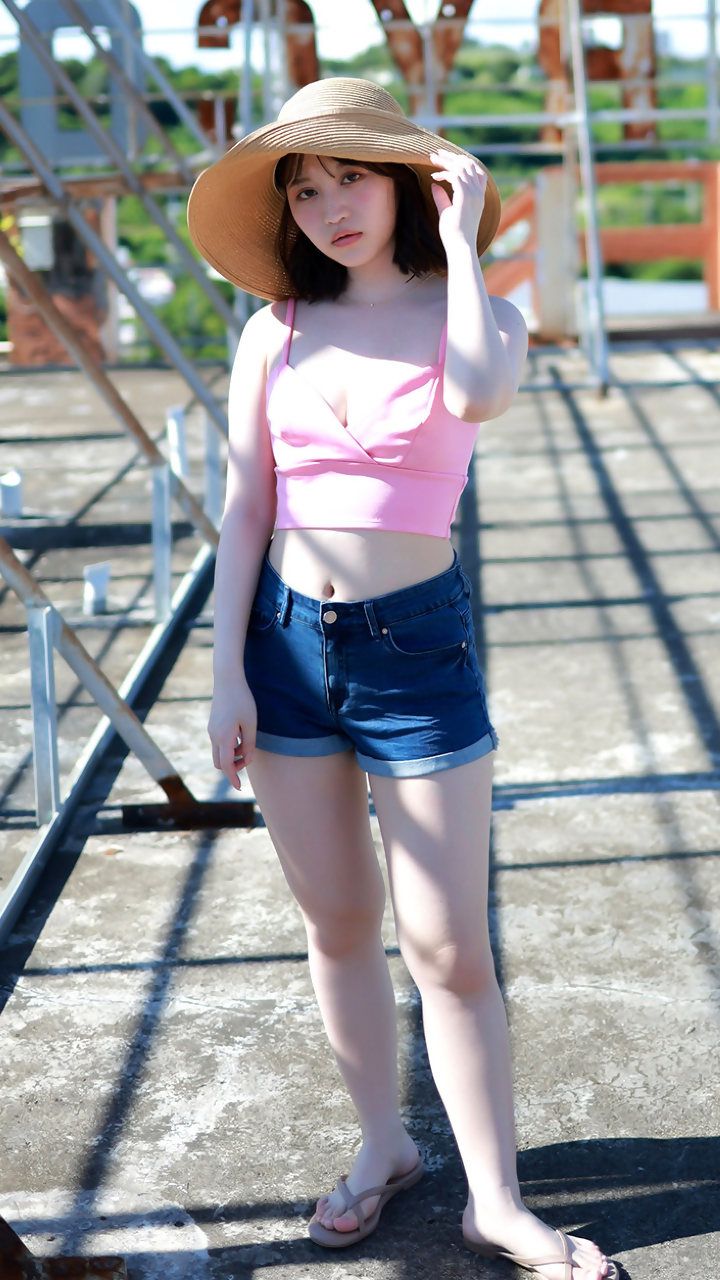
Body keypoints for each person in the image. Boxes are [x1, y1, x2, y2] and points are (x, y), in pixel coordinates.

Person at [188, 77, 618, 1280]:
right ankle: (385, 1144)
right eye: (305, 191)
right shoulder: (274, 327)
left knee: (448, 944)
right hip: (282, 646)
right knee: (338, 922)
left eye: (351, 180)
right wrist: (223, 672)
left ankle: (497, 1201)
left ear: (408, 185)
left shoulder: (478, 314)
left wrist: (465, 243)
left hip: (414, 652)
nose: (330, 209)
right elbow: (245, 508)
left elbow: (478, 392)